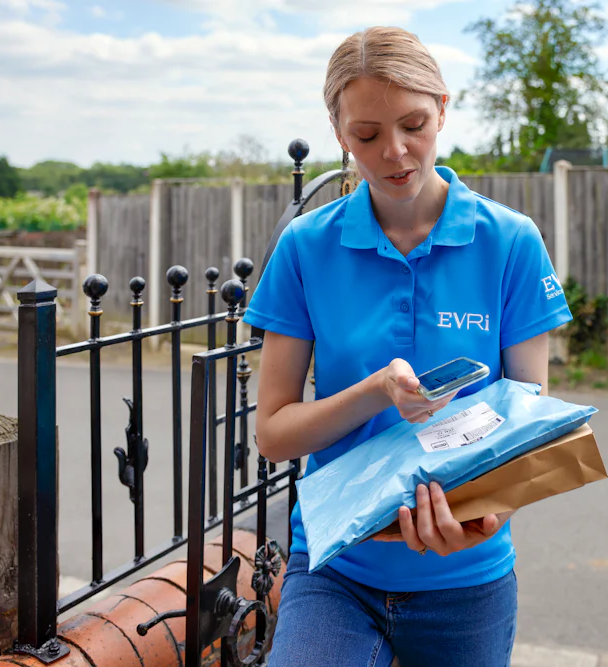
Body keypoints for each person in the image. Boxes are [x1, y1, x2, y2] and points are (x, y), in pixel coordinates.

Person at [245, 25, 572, 667]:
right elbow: (274, 434)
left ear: (444, 110)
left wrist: (490, 511)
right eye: (366, 135)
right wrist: (372, 393)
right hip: (335, 568)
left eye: (414, 124)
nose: (395, 152)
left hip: (466, 579)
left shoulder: (509, 242)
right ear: (340, 134)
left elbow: (525, 423)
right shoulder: (306, 248)